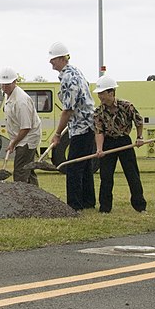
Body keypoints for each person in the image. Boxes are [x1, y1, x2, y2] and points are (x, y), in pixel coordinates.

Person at [49, 42, 96, 210]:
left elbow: (67, 110)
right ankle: (88, 201)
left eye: (53, 59)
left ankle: (75, 205)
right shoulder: (76, 72)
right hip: (88, 125)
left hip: (81, 127)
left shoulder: (68, 78)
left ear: (62, 58)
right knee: (85, 165)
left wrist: (57, 134)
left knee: (74, 166)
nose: (51, 63)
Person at [93, 75, 148, 213]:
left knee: (132, 175)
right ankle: (105, 208)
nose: (100, 97)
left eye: (102, 93)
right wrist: (99, 149)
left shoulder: (126, 106)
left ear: (111, 93)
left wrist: (140, 137)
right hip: (108, 143)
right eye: (99, 94)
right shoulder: (98, 111)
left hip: (124, 142)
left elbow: (139, 122)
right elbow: (99, 131)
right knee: (106, 177)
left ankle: (140, 206)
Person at [0, 67, 42, 185]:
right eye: (3, 84)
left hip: (27, 139)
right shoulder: (8, 95)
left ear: (14, 82)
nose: (5, 87)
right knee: (29, 169)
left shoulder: (21, 101)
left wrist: (13, 143)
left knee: (20, 172)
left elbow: (26, 127)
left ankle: (22, 199)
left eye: (8, 84)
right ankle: (37, 198)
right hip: (20, 137)